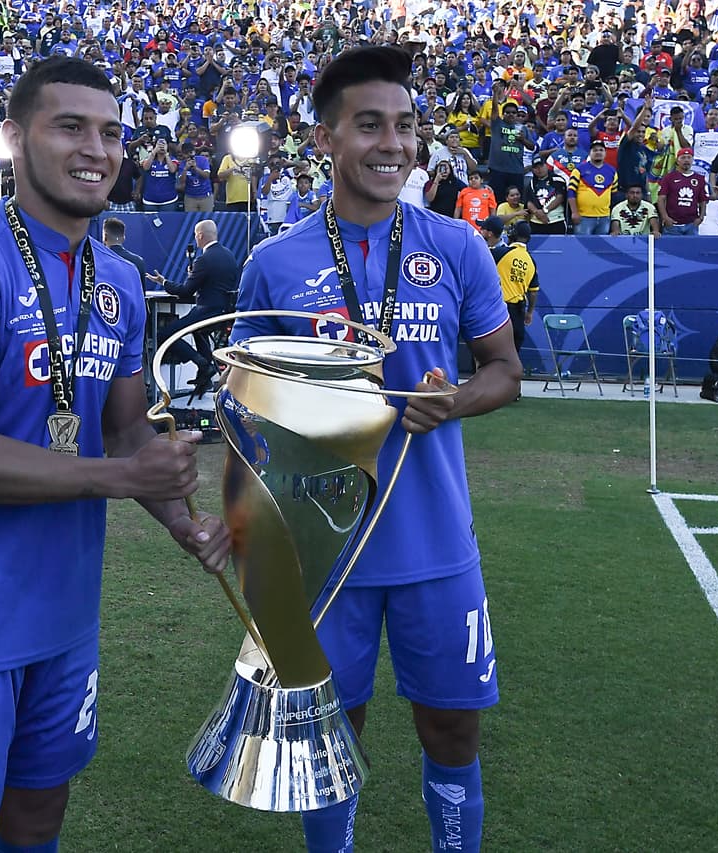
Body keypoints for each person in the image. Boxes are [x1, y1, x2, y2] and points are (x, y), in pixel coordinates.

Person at [0, 56, 227, 853]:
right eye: (70, 127)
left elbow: (127, 429)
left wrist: (182, 521)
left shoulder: (120, 280)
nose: (96, 150)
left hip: (66, 611)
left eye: (110, 133)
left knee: (40, 814)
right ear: (14, 138)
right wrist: (121, 476)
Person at [232, 45, 521, 853]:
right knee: (332, 734)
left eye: (405, 125)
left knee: (453, 732)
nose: (393, 143)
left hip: (436, 545)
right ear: (324, 139)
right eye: (369, 125)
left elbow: (505, 371)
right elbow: (245, 405)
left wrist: (452, 400)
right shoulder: (274, 263)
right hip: (324, 555)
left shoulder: (457, 246)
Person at [145, 219, 238, 395]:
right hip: (224, 313)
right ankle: (205, 374)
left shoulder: (204, 259)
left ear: (200, 236)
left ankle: (202, 363)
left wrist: (163, 282)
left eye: (196, 235)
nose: (195, 239)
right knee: (198, 332)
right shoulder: (229, 256)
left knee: (164, 334)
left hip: (206, 312)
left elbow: (186, 291)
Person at [490, 220, 539, 357]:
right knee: (512, 356)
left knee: (491, 355)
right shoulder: (531, 261)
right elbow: (533, 292)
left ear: (512, 235)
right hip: (518, 313)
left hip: (499, 310)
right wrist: (530, 312)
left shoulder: (500, 253)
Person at [568, 142, 619, 235]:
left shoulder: (612, 171)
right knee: (582, 244)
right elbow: (571, 192)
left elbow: (614, 195)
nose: (598, 152)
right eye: (595, 150)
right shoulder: (579, 170)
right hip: (583, 217)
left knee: (601, 244)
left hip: (604, 217)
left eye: (601, 150)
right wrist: (574, 212)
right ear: (589, 153)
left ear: (605, 153)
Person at [657, 149, 709, 236]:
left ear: (692, 160)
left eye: (689, 157)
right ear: (677, 161)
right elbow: (661, 199)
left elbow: (703, 200)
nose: (686, 160)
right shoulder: (669, 177)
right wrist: (665, 217)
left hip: (691, 225)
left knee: (692, 245)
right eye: (683, 157)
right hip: (672, 225)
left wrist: (701, 217)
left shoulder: (699, 179)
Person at [101, 217, 147, 288]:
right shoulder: (138, 262)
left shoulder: (98, 261)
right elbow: (141, 292)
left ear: (105, 237)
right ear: (123, 238)